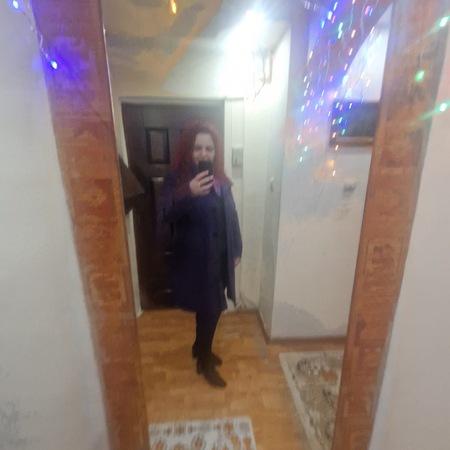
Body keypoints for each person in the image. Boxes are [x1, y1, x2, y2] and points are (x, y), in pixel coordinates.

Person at [157, 121, 242, 388]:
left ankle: (199, 347)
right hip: (196, 260)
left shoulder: (221, 180)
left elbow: (232, 217)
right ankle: (204, 361)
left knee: (210, 308)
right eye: (197, 148)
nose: (204, 153)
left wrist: (237, 248)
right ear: (188, 150)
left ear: (215, 152)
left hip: (219, 258)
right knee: (210, 308)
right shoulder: (177, 179)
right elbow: (164, 213)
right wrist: (188, 193)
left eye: (209, 148)